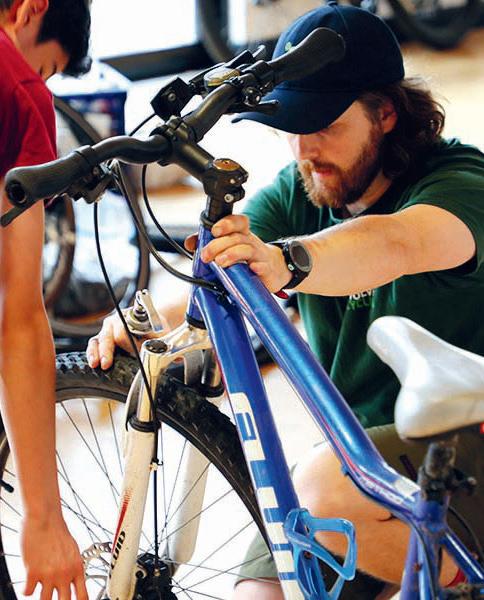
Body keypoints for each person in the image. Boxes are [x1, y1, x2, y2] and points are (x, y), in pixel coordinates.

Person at [87, 3, 484, 598]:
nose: (304, 150)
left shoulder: (460, 184)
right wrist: (143, 321)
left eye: (324, 125)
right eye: (293, 126)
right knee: (267, 585)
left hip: (463, 446)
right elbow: (216, 270)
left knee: (319, 490)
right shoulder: (306, 191)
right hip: (358, 458)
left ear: (387, 114)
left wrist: (287, 261)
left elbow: (395, 241)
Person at [0, 1, 91, 599]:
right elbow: (20, 318)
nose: (42, 83)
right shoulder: (17, 92)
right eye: (46, 69)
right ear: (32, 8)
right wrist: (44, 516)